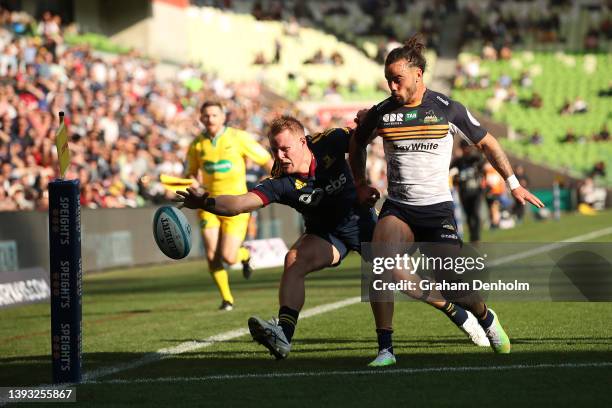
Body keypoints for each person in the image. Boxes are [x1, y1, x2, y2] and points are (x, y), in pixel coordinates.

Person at [176, 116, 490, 364]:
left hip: (362, 224)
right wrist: (206, 202)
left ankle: (456, 311)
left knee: (405, 281)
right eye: (275, 150)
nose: (280, 155)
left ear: (303, 142)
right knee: (293, 260)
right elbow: (243, 203)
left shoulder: (328, 141)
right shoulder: (280, 181)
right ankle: (284, 335)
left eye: (285, 148)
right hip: (325, 235)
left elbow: (359, 139)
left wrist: (361, 181)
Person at [349, 35, 544, 364]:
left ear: (418, 75)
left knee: (456, 288)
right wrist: (359, 184)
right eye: (388, 80)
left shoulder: (446, 108)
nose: (392, 87)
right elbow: (357, 144)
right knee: (380, 264)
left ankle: (484, 317)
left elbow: (489, 144)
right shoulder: (382, 113)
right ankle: (386, 349)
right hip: (398, 208)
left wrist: (513, 184)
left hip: (437, 210)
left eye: (397, 79)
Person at [184, 100, 273, 311]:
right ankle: (227, 299)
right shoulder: (197, 144)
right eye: (206, 115)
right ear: (201, 118)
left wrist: (272, 180)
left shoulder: (238, 137)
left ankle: (245, 255)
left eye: (214, 115)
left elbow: (266, 160)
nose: (210, 119)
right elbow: (190, 172)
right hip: (208, 204)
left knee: (228, 256)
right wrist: (193, 182)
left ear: (223, 117)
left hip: (236, 205)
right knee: (211, 254)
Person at [451, 140, 485, 243]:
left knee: (475, 213)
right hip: (464, 191)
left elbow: (482, 165)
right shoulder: (458, 161)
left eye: (467, 148)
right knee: (469, 214)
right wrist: (456, 179)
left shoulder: (476, 158)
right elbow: (450, 171)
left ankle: (476, 237)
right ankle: (472, 236)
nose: (466, 150)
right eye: (464, 148)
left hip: (476, 190)